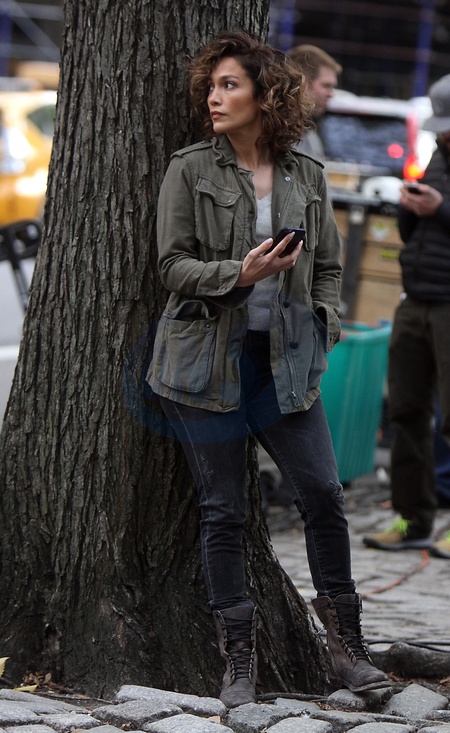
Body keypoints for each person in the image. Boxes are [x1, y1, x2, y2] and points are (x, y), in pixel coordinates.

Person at [147, 31, 389, 708]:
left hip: (285, 363)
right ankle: (239, 661)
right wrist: (240, 273)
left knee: (324, 494)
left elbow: (329, 266)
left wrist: (323, 327)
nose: (214, 97)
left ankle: (347, 649)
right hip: (203, 361)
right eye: (211, 86)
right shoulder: (190, 168)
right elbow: (170, 265)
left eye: (229, 85)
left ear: (266, 95)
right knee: (223, 510)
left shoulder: (305, 172)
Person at [363, 74, 450, 559]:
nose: (444, 135)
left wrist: (440, 209)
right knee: (406, 411)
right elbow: (417, 234)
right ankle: (413, 519)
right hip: (416, 299)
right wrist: (411, 208)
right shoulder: (437, 154)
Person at [288, 44, 341, 161]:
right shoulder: (280, 134)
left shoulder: (308, 131)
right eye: (326, 85)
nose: (331, 94)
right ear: (302, 84)